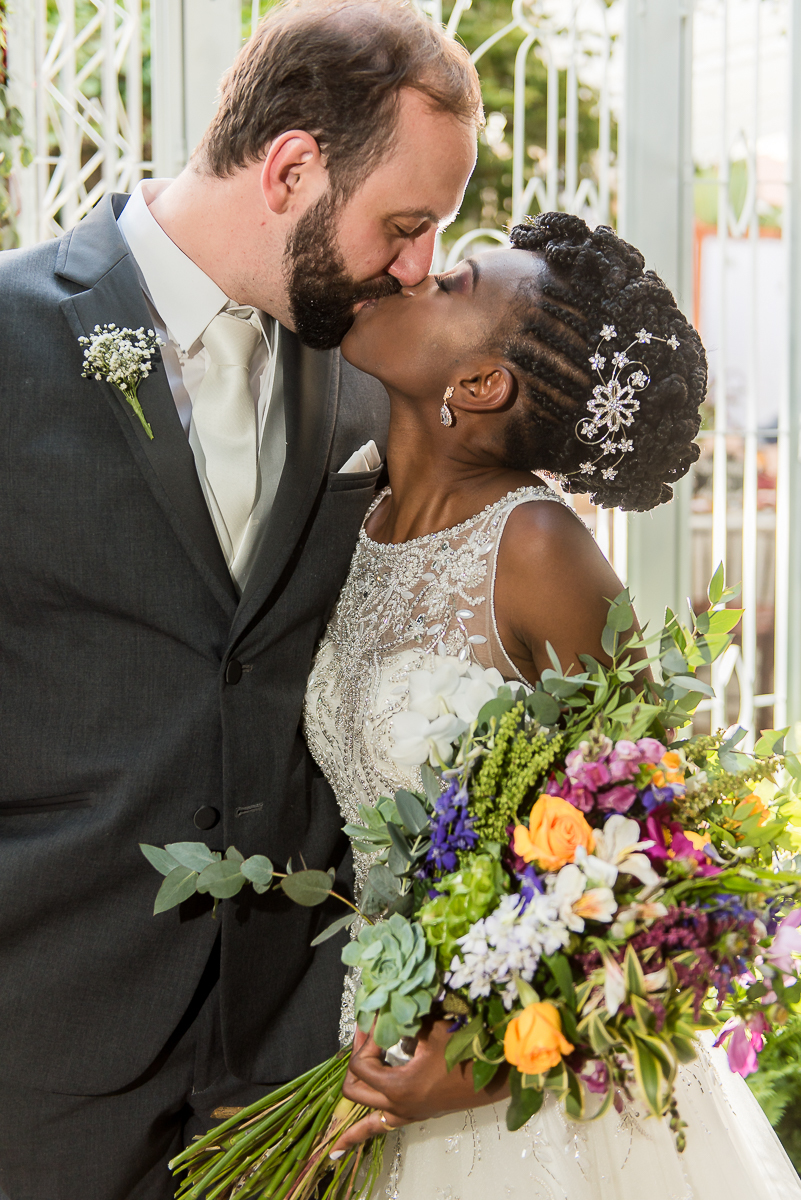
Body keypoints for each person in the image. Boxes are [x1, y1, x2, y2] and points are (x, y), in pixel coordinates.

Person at [0, 2, 481, 1196]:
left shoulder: (375, 386)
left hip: (291, 1075)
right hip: (38, 1054)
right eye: (406, 225)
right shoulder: (10, 335)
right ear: (292, 167)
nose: (420, 268)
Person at [303, 212, 801, 1198]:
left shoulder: (537, 548)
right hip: (367, 1045)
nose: (411, 274)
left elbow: (669, 850)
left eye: (450, 284)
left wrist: (487, 1060)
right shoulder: (354, 516)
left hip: (510, 1101)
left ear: (481, 385)